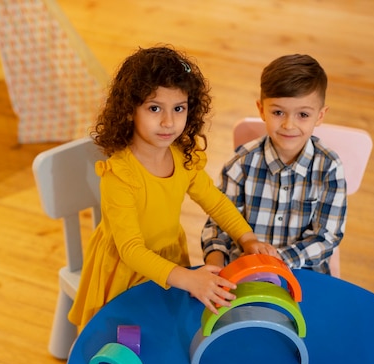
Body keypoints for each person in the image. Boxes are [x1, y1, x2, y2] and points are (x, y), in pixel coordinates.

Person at [68, 45, 278, 328]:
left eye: (178, 108)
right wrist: (189, 278)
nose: (168, 121)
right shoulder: (119, 175)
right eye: (155, 108)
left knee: (165, 329)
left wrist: (246, 237)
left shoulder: (182, 157)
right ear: (129, 111)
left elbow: (214, 201)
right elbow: (131, 250)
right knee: (121, 333)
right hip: (124, 268)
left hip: (169, 259)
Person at [201, 54, 346, 274]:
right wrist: (214, 262)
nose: (289, 125)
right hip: (244, 274)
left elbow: (327, 237)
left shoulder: (329, 168)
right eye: (278, 112)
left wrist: (276, 260)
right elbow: (218, 226)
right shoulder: (240, 164)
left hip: (303, 274)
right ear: (261, 110)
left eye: (303, 115)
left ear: (320, 116)